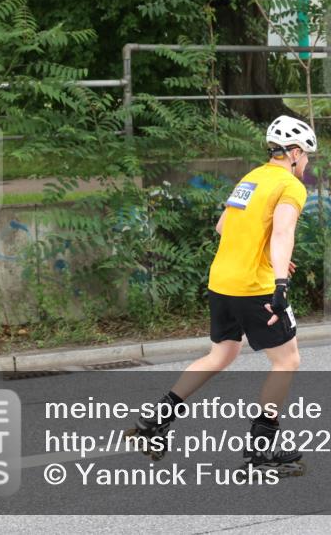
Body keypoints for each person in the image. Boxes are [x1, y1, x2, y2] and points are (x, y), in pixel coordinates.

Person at [128, 116, 316, 475]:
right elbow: (282, 233)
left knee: (222, 353)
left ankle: (154, 421)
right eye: (306, 154)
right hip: (254, 287)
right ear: (294, 153)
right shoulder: (290, 185)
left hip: (221, 282)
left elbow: (223, 226)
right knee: (287, 361)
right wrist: (280, 282)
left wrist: (270, 256)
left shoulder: (251, 178)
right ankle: (259, 454)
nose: (307, 162)